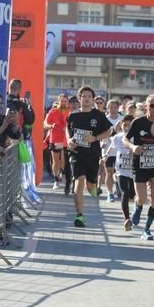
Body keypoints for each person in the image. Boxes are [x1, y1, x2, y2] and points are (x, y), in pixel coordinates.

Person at [66, 86, 113, 227]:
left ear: (92, 99)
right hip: (77, 154)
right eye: (83, 96)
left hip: (92, 155)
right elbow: (67, 130)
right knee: (79, 181)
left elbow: (109, 131)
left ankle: (93, 187)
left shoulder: (98, 115)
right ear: (79, 98)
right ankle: (79, 215)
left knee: (90, 185)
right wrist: (68, 140)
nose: (86, 99)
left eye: (89, 96)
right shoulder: (73, 115)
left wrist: (95, 138)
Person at [124, 95, 154, 241]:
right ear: (146, 106)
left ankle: (147, 229)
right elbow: (125, 138)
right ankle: (138, 206)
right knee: (141, 197)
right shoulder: (138, 122)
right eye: (152, 106)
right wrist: (133, 146)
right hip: (139, 165)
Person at [111, 115, 135, 230]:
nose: (127, 127)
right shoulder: (117, 138)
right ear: (121, 125)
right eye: (125, 125)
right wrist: (104, 156)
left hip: (134, 171)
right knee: (124, 193)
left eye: (130, 125)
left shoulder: (136, 138)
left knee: (132, 196)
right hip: (121, 170)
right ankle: (126, 219)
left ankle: (135, 211)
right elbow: (111, 149)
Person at [44, 94, 69, 189]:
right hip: (55, 138)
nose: (63, 103)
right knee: (55, 161)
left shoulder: (69, 112)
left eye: (65, 101)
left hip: (66, 139)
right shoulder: (53, 111)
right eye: (62, 101)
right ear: (58, 101)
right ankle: (56, 179)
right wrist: (50, 126)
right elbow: (45, 123)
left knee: (63, 159)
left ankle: (62, 173)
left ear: (67, 102)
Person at [102, 98, 123, 202]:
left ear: (118, 108)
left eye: (115, 107)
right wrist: (102, 142)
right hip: (107, 150)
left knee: (118, 172)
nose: (113, 109)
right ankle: (110, 193)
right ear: (107, 108)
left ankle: (119, 187)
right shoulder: (104, 119)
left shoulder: (122, 119)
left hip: (119, 150)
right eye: (111, 107)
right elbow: (100, 134)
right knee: (109, 172)